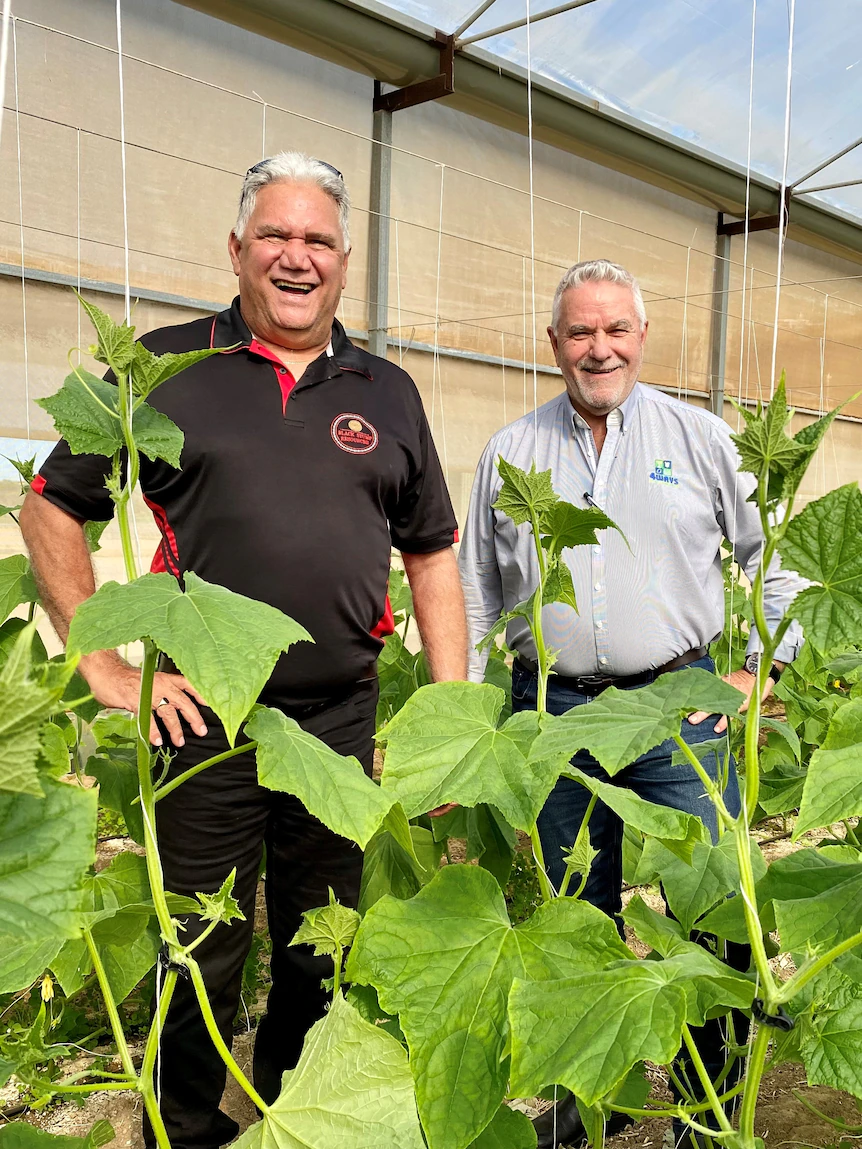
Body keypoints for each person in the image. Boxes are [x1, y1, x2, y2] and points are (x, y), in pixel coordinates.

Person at [20, 152, 468, 1149]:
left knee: (319, 946)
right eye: (276, 235)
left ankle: (291, 1114)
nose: (296, 257)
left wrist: (448, 715)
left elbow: (432, 554)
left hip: (339, 718)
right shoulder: (164, 366)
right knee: (201, 943)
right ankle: (183, 1126)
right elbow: (50, 507)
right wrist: (104, 664)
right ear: (236, 250)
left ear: (346, 261)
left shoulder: (387, 390)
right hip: (205, 720)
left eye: (317, 240)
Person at [457, 258, 805, 1148]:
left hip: (682, 709)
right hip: (558, 712)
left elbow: (770, 561)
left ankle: (710, 1111)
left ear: (642, 338)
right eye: (580, 332)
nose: (598, 347)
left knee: (711, 905)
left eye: (615, 330)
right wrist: (465, 731)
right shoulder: (510, 451)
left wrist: (760, 675)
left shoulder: (702, 440)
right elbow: (474, 597)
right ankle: (585, 1115)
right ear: (554, 345)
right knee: (579, 918)